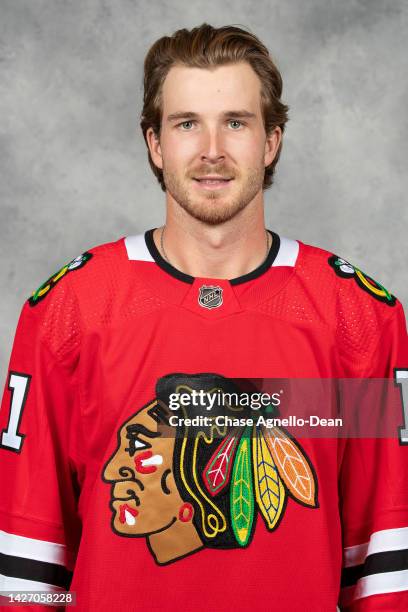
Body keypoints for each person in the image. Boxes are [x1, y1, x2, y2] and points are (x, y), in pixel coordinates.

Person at [0, 23, 407, 612]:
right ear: (155, 144)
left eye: (236, 123)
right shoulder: (68, 313)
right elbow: (27, 561)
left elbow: (384, 568)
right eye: (186, 123)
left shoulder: (361, 320)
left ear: (271, 141)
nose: (211, 149)